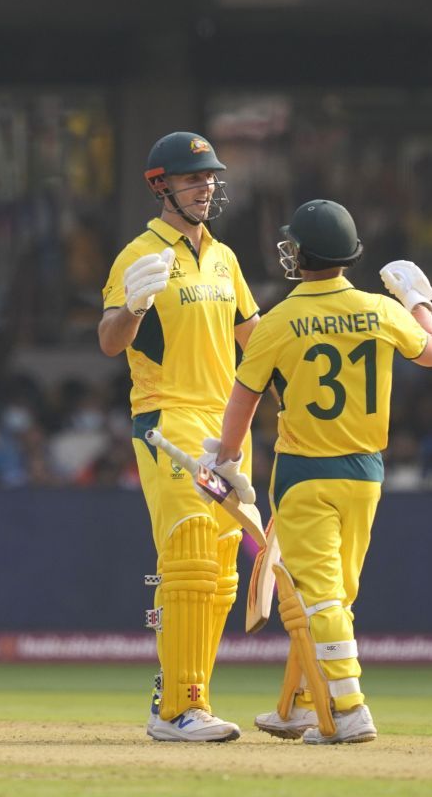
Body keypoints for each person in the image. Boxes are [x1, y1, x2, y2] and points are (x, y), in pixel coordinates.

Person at [212, 199, 432, 745]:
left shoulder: (279, 322)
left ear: (301, 254)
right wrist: (419, 300)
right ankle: (297, 704)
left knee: (320, 598)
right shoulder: (381, 311)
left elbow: (242, 402)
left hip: (306, 472)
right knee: (332, 594)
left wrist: (225, 458)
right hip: (366, 473)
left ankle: (349, 709)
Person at [98, 131, 260, 742]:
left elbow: (255, 338)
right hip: (168, 419)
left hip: (225, 425)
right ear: (161, 184)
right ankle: (177, 712)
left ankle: (186, 700)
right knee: (189, 552)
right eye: (194, 178)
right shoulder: (138, 253)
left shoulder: (224, 257)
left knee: (219, 573)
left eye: (211, 177)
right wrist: (134, 306)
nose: (206, 186)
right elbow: (111, 342)